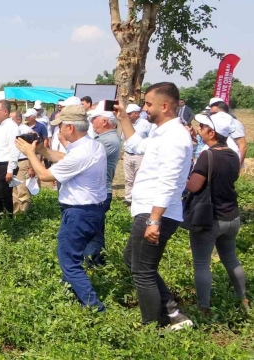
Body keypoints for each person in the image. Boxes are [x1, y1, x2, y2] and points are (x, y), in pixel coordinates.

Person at [117, 82, 194, 330]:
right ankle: (171, 310)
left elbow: (169, 179)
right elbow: (137, 146)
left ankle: (152, 326)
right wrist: (123, 119)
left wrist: (154, 219)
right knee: (132, 260)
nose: (144, 109)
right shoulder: (161, 133)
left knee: (143, 272)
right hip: (150, 210)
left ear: (165, 105)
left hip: (156, 211)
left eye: (148, 104)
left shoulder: (174, 137)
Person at [15, 105, 107, 311]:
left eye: (60, 126)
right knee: (81, 256)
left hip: (78, 213)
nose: (58, 130)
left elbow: (46, 176)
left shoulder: (81, 153)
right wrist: (41, 150)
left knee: (69, 261)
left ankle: (94, 307)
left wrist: (30, 154)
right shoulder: (92, 146)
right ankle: (72, 295)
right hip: (93, 210)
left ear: (70, 128)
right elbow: (65, 160)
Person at [186, 112, 249, 314]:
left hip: (209, 219)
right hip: (232, 217)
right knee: (231, 259)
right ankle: (243, 299)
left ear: (211, 132)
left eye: (202, 127)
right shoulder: (233, 153)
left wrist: (181, 179)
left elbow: (194, 187)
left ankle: (204, 307)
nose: (199, 129)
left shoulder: (208, 155)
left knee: (202, 263)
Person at [84, 101, 121, 265]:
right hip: (96, 192)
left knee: (93, 233)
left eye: (94, 119)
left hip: (99, 193)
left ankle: (95, 265)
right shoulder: (103, 138)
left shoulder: (108, 141)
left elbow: (83, 158)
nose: (91, 122)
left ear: (104, 121)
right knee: (92, 231)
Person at [0, 100, 20, 219]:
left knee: (5, 195)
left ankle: (9, 220)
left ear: (5, 111)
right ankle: (0, 216)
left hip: (6, 164)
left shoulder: (12, 126)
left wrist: (10, 170)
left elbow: (14, 149)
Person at [123, 104, 151, 205]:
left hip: (140, 155)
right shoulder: (127, 124)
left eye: (130, 114)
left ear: (137, 114)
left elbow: (150, 139)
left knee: (139, 178)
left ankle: (137, 199)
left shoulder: (146, 124)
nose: (128, 116)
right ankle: (128, 198)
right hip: (128, 154)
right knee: (128, 178)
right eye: (127, 114)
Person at [209, 99, 247, 167]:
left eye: (214, 113)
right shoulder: (213, 124)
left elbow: (242, 146)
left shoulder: (234, 123)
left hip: (230, 163)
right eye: (211, 113)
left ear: (223, 112)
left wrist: (238, 166)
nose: (211, 115)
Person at [11, 110, 36, 213]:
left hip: (23, 162)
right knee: (14, 190)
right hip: (13, 162)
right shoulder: (10, 129)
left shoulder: (25, 130)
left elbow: (32, 150)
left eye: (11, 119)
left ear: (18, 119)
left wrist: (31, 167)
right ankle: (17, 213)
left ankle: (24, 214)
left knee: (22, 190)